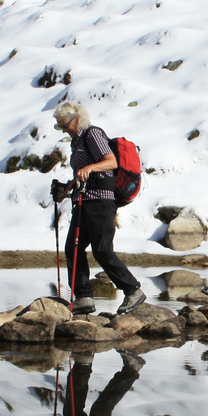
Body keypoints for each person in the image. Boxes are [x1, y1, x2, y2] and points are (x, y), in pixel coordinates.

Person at [51, 101, 144, 315]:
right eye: (60, 126)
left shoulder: (93, 134)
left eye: (65, 125)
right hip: (84, 201)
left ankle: (133, 290)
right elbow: (83, 174)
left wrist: (89, 168)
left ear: (76, 119)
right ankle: (83, 296)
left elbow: (111, 162)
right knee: (73, 249)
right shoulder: (76, 142)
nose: (64, 129)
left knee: (102, 250)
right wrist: (67, 187)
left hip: (101, 201)